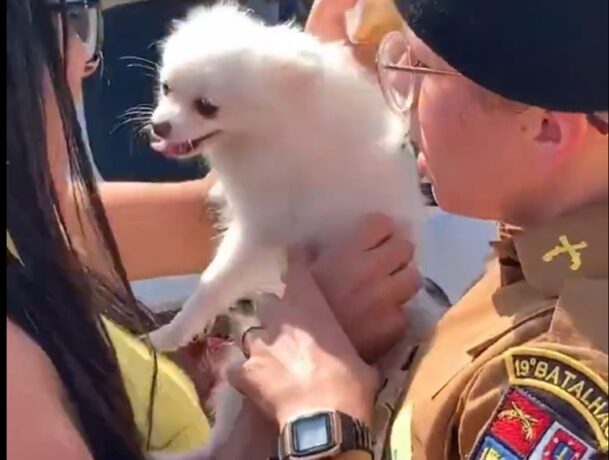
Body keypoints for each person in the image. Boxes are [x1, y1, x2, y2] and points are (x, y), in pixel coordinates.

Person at [6, 1, 415, 459]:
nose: (82, 54)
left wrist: (310, 89)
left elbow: (225, 214)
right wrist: (306, 403)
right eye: (65, 16)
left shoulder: (34, 221)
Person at [206, 0, 608, 459]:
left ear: (544, 130)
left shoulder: (565, 381)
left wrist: (322, 420)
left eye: (421, 68)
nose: (396, 87)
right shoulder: (540, 242)